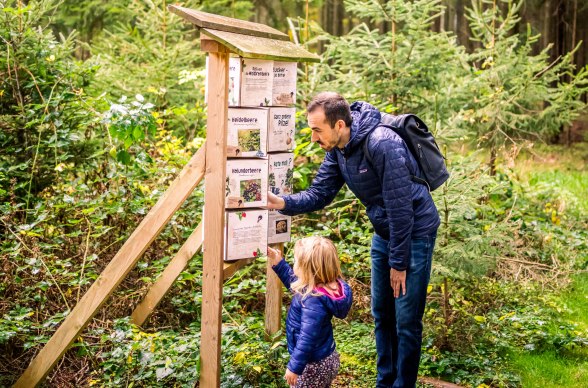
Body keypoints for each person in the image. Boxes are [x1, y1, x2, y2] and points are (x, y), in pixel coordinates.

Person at [267, 92, 439, 388]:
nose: (313, 138)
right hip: (386, 232)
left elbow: (401, 209)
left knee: (406, 321)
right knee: (382, 314)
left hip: (414, 232)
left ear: (340, 125)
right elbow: (319, 193)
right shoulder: (339, 150)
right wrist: (280, 202)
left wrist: (399, 263)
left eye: (317, 130)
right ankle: (385, 382)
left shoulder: (383, 143)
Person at [268, 236, 353, 388]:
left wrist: (294, 367)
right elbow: (296, 283)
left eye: (296, 262)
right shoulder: (325, 287)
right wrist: (278, 262)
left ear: (307, 269)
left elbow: (306, 338)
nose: (294, 265)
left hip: (312, 366)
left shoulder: (312, 299)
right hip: (328, 357)